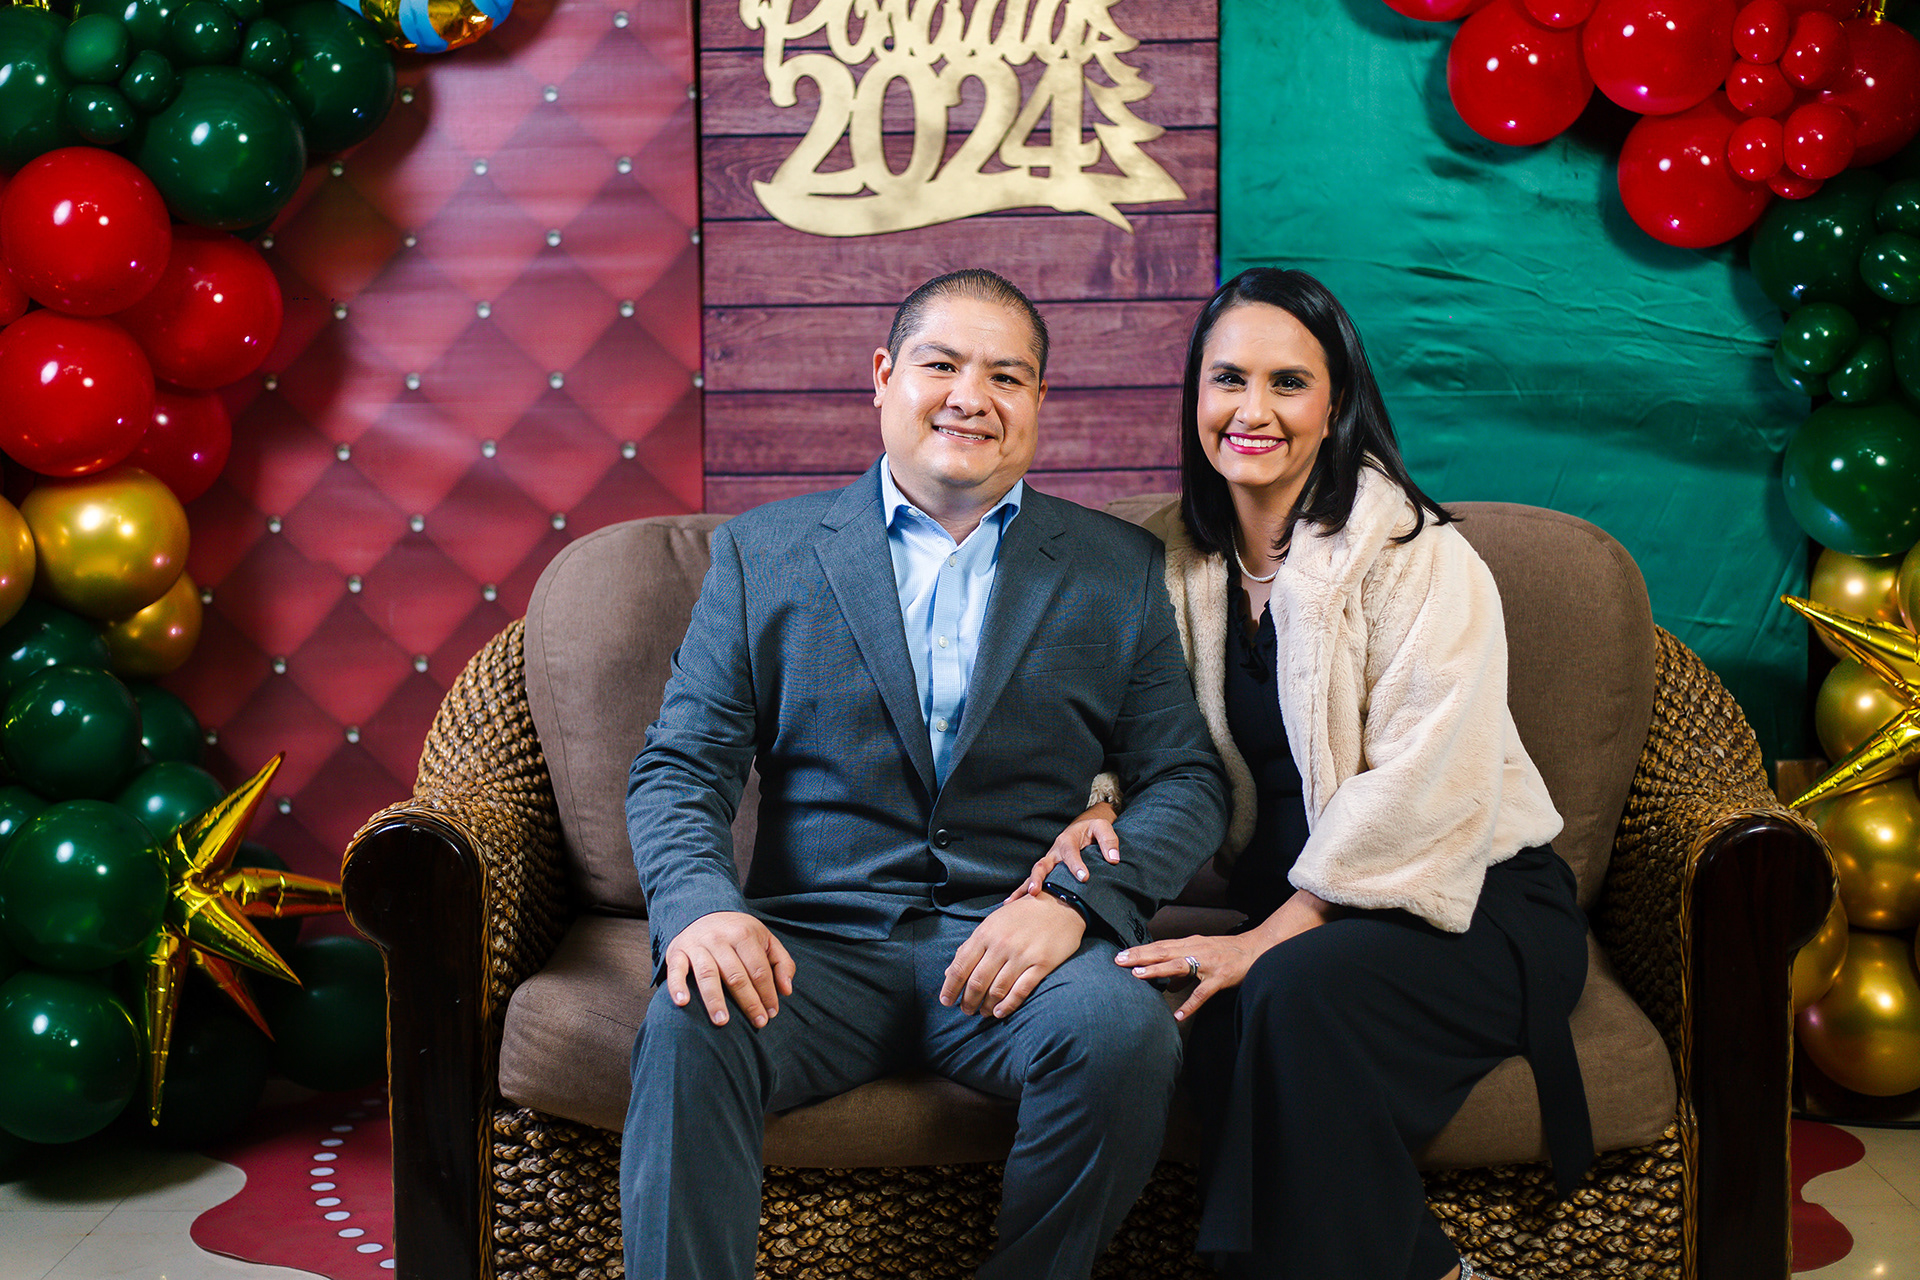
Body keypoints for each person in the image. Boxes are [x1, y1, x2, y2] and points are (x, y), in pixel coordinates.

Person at [621, 268, 1229, 1280]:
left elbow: (1187, 780)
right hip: (810, 948)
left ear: (1039, 400)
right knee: (693, 1016)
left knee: (1123, 1030)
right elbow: (681, 764)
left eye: (1007, 376)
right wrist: (698, 907)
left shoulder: (1115, 568)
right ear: (883, 376)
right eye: (941, 364)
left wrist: (1077, 904)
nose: (970, 397)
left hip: (1010, 945)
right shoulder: (763, 555)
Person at [1016, 267, 1594, 1280]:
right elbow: (1125, 726)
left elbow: (1427, 783)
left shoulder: (1414, 553)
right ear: (1194, 395)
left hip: (1471, 901)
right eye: (1227, 379)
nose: (1253, 410)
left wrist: (1266, 940)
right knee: (1206, 1016)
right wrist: (1097, 805)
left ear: (1336, 405)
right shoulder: (1165, 557)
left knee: (1282, 994)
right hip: (1300, 914)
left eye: (1289, 382)